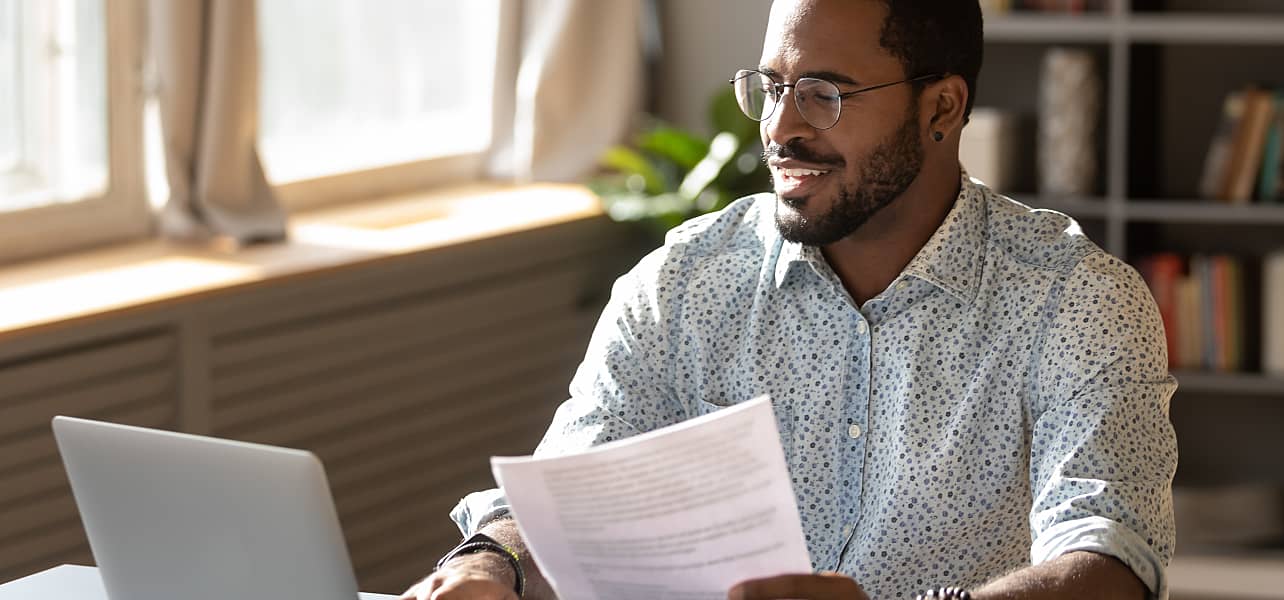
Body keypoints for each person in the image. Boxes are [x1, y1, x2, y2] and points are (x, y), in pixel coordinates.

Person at [403, 0, 1177, 598]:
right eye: (772, 88)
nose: (780, 128)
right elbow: (566, 490)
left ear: (940, 109)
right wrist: (489, 562)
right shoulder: (684, 282)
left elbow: (1111, 559)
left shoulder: (1075, 299)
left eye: (824, 94)